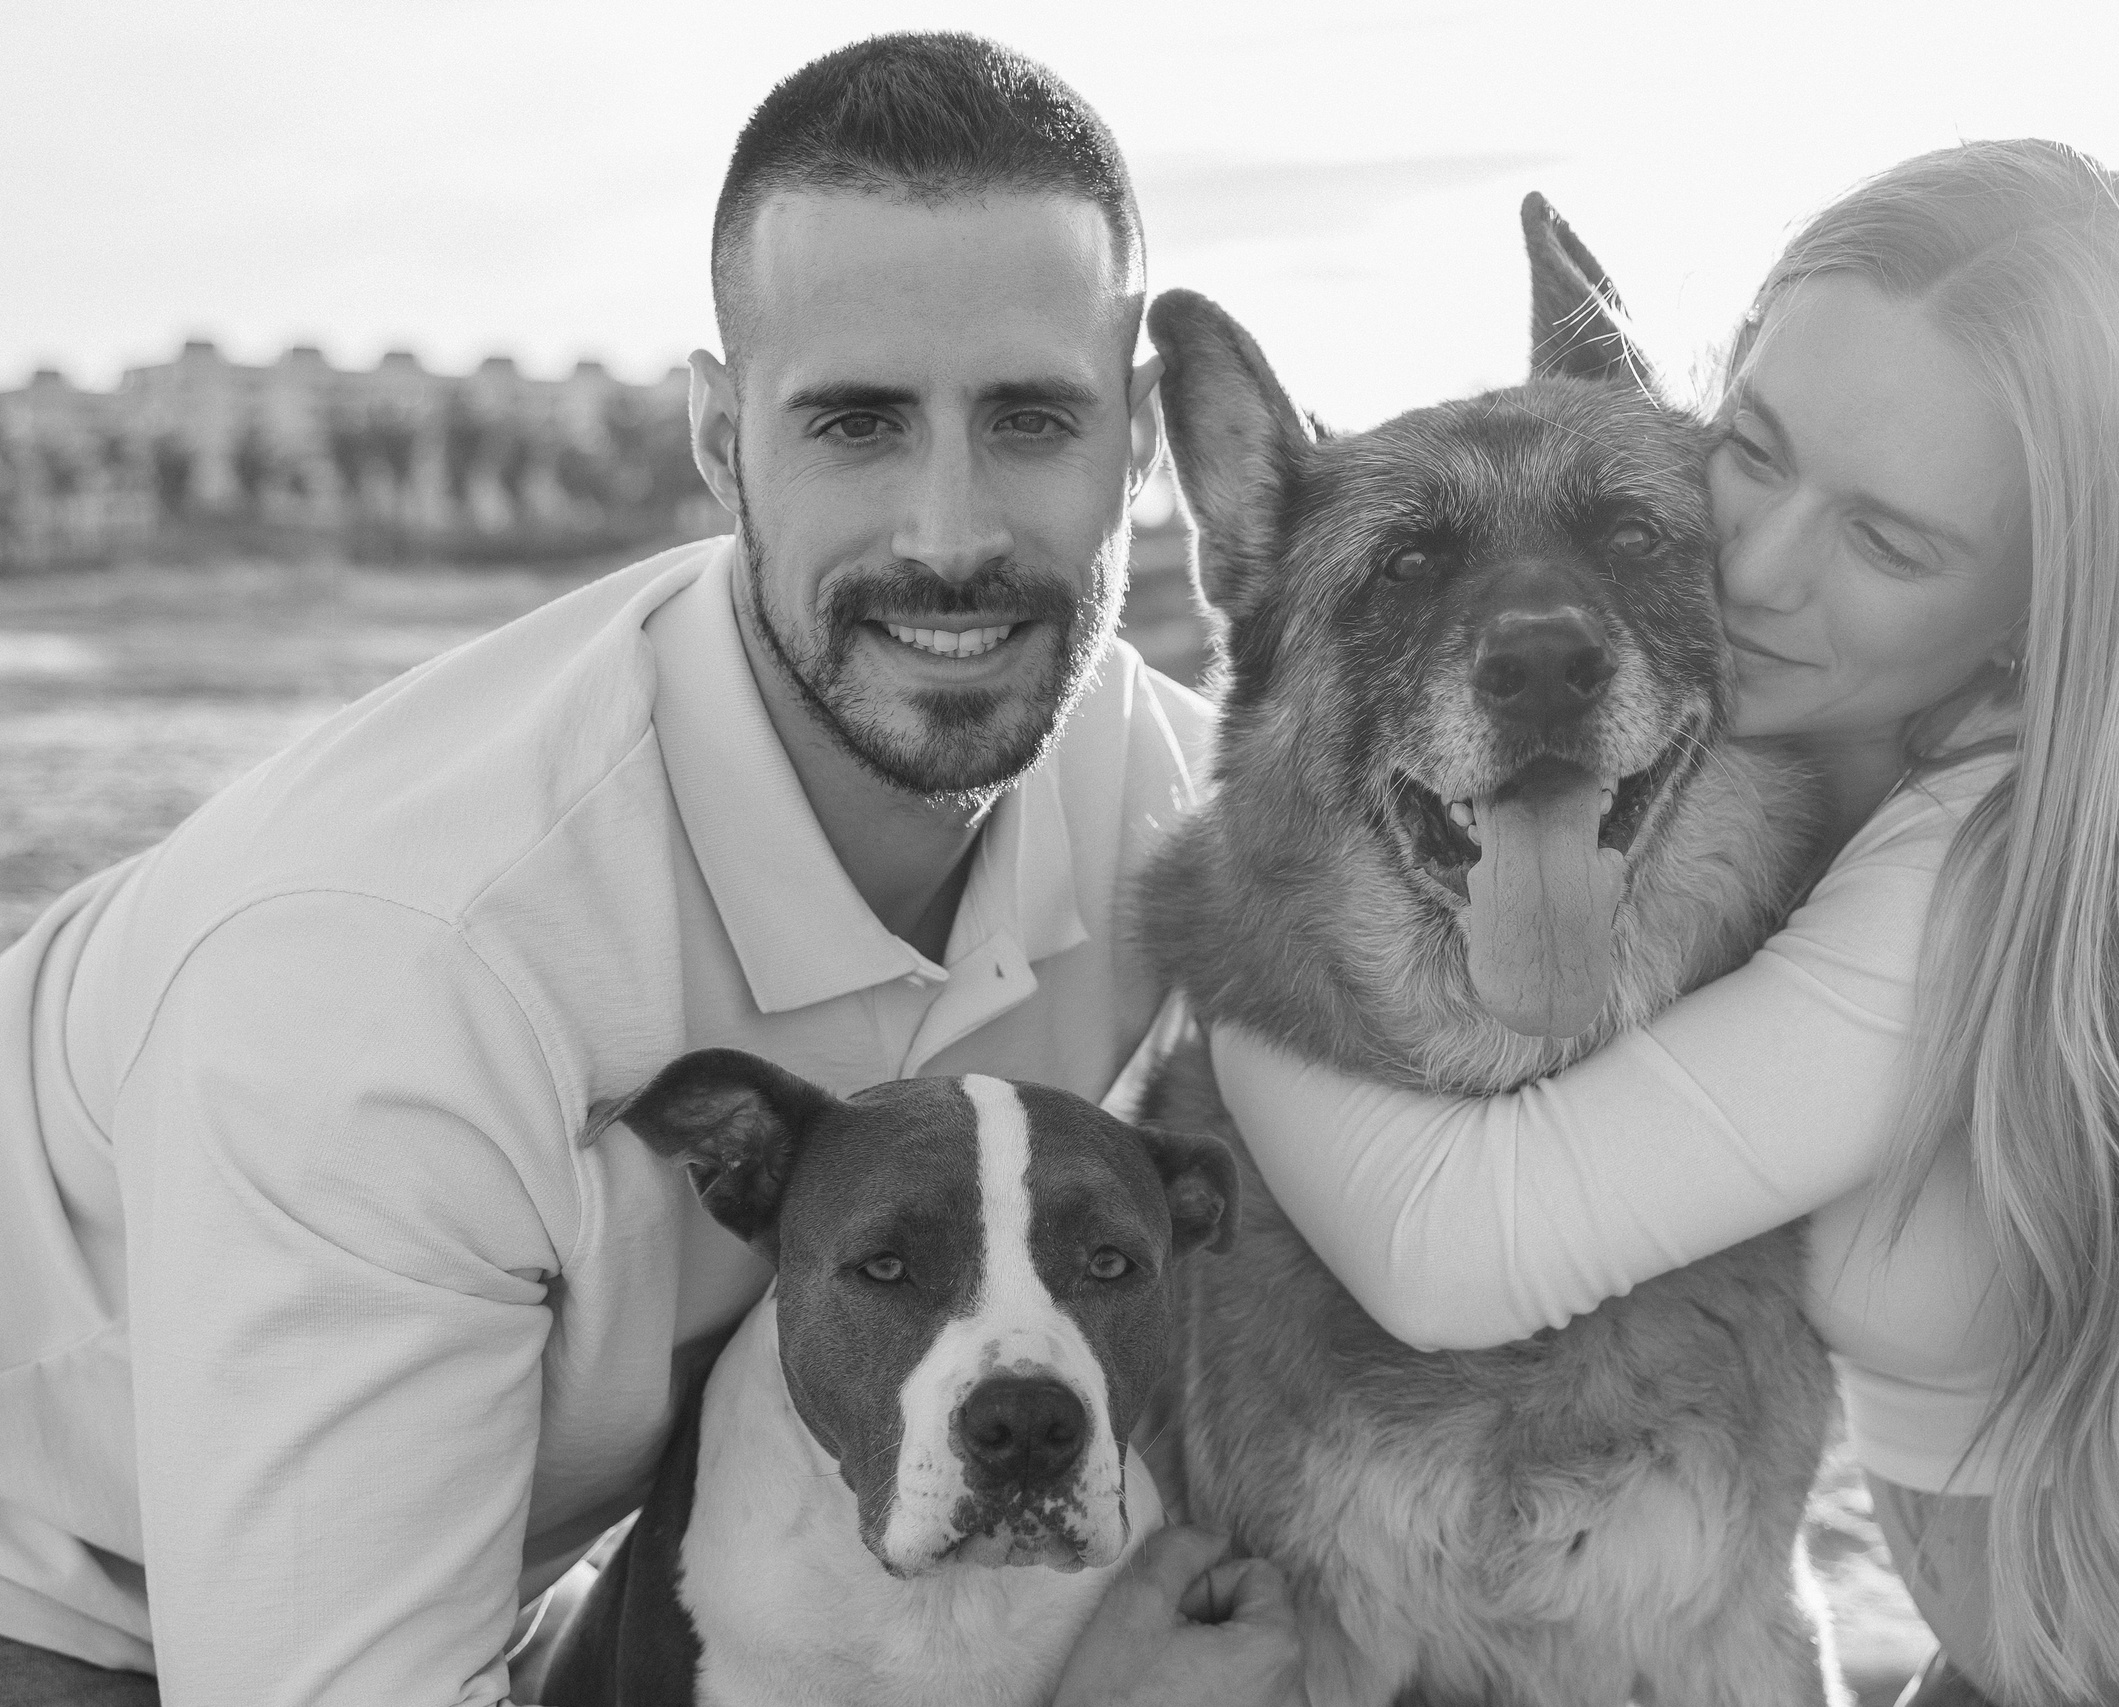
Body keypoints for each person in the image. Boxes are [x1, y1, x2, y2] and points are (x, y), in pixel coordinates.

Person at [0, 33, 1300, 1707]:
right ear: (719, 441)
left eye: (1032, 418)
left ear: (1141, 448)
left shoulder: (1191, 826)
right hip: (72, 1604)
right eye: (855, 422)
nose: (951, 533)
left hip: (503, 1571)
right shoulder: (400, 976)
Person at [1207, 139, 2119, 1707]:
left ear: (2053, 600)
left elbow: (1454, 1253)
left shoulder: (1981, 869)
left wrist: (1220, 941)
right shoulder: (1758, 775)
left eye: (1890, 540)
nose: (1763, 569)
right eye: (1756, 451)